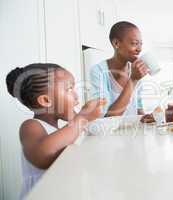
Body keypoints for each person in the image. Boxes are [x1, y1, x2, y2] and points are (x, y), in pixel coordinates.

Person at [6, 63, 106, 199]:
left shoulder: (61, 131)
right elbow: (42, 155)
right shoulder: (31, 126)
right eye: (69, 89)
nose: (76, 96)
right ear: (46, 100)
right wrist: (82, 118)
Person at [90, 21, 149, 117]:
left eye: (140, 44)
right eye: (134, 43)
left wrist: (150, 118)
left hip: (132, 131)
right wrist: (133, 80)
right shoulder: (99, 71)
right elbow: (106, 117)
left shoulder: (135, 70)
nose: (139, 49)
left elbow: (138, 109)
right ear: (116, 43)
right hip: (109, 131)